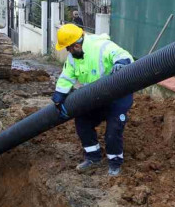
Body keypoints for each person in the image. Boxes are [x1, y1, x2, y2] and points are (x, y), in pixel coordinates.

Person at [51, 23, 134, 176]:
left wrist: (121, 64)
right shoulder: (73, 58)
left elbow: (123, 55)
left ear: (76, 45)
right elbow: (66, 77)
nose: (67, 51)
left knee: (113, 130)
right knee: (82, 121)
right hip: (96, 97)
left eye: (68, 48)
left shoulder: (101, 46)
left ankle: (115, 163)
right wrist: (59, 97)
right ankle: (93, 158)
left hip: (117, 96)